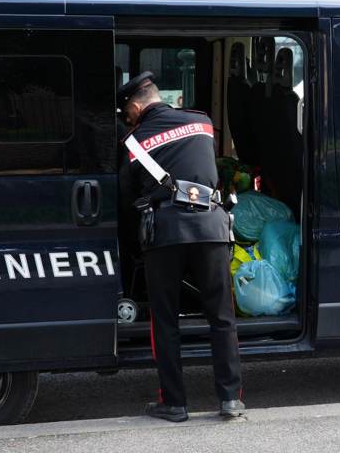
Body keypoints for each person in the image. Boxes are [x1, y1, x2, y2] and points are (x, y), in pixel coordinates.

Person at [118, 71, 245, 422]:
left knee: (165, 322)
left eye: (125, 112)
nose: (125, 118)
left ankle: (174, 404)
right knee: (222, 318)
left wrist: (133, 244)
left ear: (134, 106)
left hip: (166, 234)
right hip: (212, 228)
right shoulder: (202, 122)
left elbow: (127, 198)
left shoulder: (133, 141)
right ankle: (231, 399)